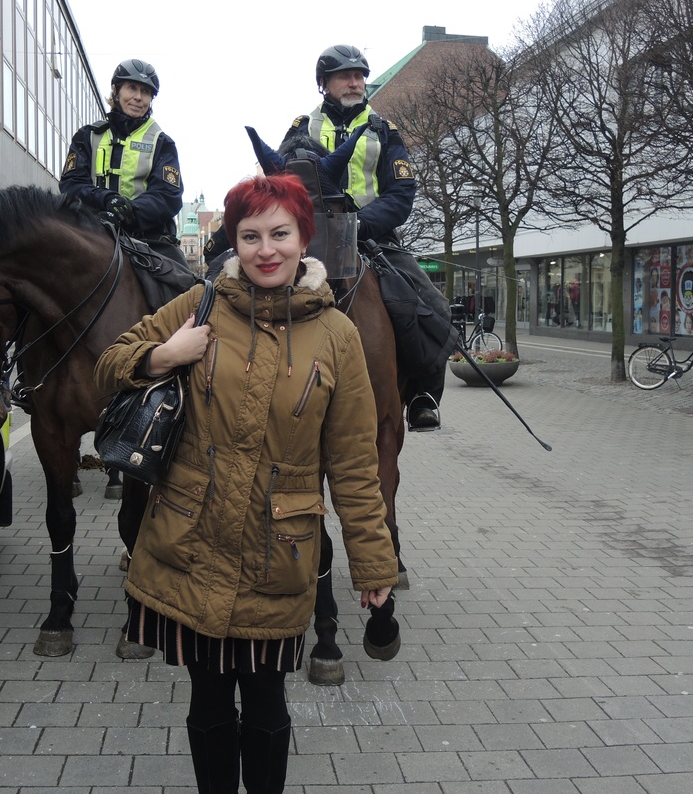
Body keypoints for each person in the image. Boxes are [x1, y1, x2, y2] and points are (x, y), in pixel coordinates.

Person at [94, 174, 398, 794]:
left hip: (277, 555)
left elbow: (355, 466)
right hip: (191, 546)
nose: (266, 249)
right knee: (207, 706)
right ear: (232, 240)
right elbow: (108, 366)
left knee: (266, 708)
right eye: (250, 235)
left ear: (303, 238)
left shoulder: (338, 335)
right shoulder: (198, 304)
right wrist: (162, 355)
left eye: (280, 234)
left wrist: (373, 567)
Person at [282, 44, 450, 431]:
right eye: (345, 76)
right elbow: (280, 184)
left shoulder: (384, 130)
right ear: (324, 84)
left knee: (434, 307)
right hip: (311, 241)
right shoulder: (300, 128)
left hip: (373, 239)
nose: (355, 82)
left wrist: (360, 224)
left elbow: (401, 191)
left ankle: (423, 395)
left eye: (359, 75)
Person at [59, 59, 186, 267]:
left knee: (183, 285)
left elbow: (168, 195)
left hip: (147, 240)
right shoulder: (87, 136)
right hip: (90, 233)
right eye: (132, 88)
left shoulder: (162, 142)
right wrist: (106, 200)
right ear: (116, 91)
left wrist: (128, 212)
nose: (138, 97)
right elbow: (71, 184)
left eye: (145, 92)